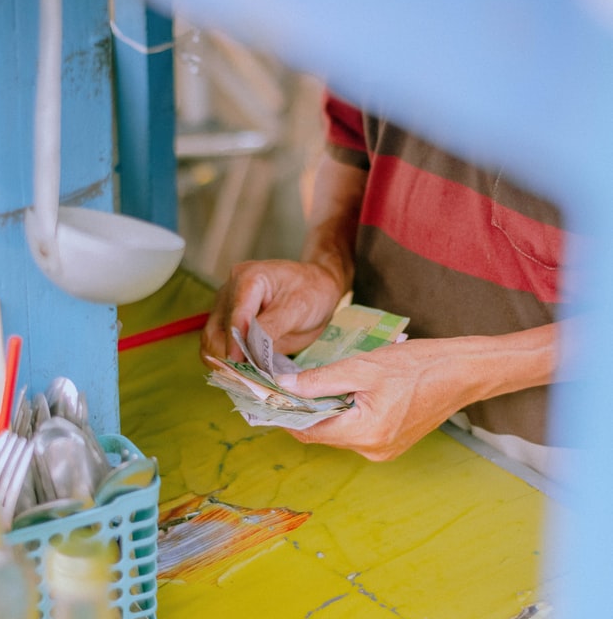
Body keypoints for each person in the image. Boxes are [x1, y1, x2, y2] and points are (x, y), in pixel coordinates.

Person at [200, 90, 574, 482]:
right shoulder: (372, 29)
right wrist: (327, 264)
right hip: (375, 418)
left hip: (557, 469)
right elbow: (353, 144)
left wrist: (467, 372)